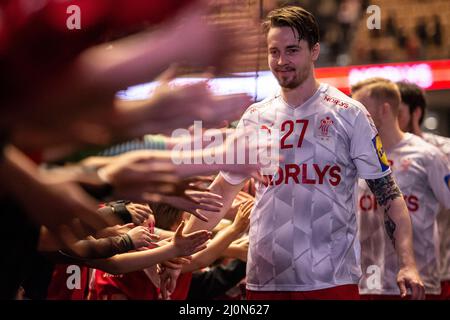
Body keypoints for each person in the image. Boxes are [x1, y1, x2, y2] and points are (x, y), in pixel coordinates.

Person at [182, 5, 425, 300]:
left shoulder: (349, 114)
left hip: (330, 281)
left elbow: (389, 195)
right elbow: (221, 192)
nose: (281, 61)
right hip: (264, 280)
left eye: (292, 50)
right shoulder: (255, 117)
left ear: (314, 51)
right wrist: (179, 254)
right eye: (274, 51)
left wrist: (408, 264)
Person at [351, 78, 450, 299]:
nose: (354, 117)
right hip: (366, 284)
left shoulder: (427, 155)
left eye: (361, 110)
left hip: (417, 284)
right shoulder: (355, 159)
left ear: (384, 109)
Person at [396, 81, 450, 299]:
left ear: (416, 112)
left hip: (441, 268)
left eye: (397, 112)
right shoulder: (378, 154)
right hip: (396, 272)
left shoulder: (443, 151)